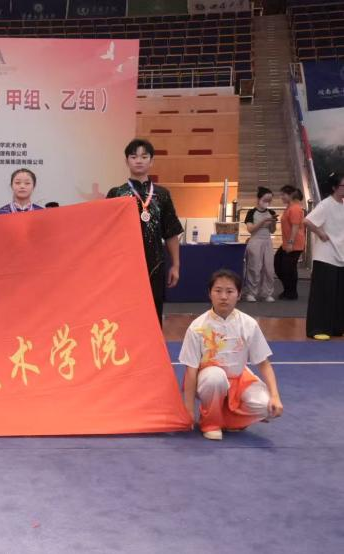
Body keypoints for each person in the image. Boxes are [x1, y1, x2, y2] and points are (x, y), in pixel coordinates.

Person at [179, 269, 283, 441]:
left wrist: (275, 396)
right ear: (209, 293)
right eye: (218, 291)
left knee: (267, 407)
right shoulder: (197, 327)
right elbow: (191, 370)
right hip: (208, 380)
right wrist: (188, 410)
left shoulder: (248, 324)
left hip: (239, 379)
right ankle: (211, 423)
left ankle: (230, 420)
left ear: (239, 294)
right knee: (216, 377)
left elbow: (264, 363)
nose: (224, 297)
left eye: (229, 291)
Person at [106, 139, 183, 324]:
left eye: (144, 156)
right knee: (124, 314)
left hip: (155, 264)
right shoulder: (116, 194)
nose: (138, 160)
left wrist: (176, 265)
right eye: (133, 157)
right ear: (127, 161)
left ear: (151, 161)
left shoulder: (162, 194)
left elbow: (171, 232)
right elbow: (106, 234)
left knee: (154, 313)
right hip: (124, 265)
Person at [304, 172, 344, 340]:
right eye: (343, 186)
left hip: (340, 254)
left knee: (338, 293)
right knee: (323, 293)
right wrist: (320, 232)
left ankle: (336, 327)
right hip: (325, 255)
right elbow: (307, 221)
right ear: (334, 187)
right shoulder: (326, 204)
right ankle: (317, 328)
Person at [242, 186, 278, 302]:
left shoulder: (271, 212)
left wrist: (272, 222)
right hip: (255, 241)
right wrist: (263, 221)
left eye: (269, 201)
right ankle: (251, 292)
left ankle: (266, 293)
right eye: (265, 200)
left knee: (269, 268)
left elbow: (272, 230)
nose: (267, 203)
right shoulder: (251, 212)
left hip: (267, 241)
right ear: (258, 199)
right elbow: (250, 229)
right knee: (254, 267)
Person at [274, 185, 305, 300]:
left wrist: (291, 243)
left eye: (283, 195)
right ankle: (289, 290)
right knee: (279, 265)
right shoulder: (289, 207)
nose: (281, 197)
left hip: (294, 244)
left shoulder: (295, 208)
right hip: (286, 243)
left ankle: (291, 292)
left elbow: (295, 227)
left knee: (288, 268)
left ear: (290, 195)